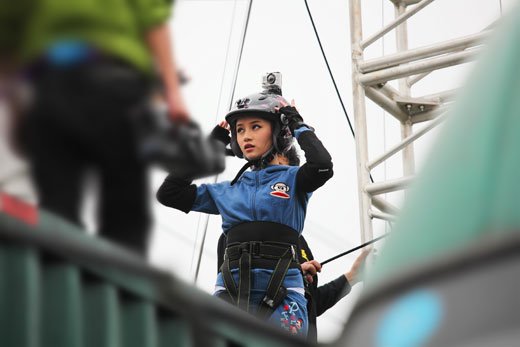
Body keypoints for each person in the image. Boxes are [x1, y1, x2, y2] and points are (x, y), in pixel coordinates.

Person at [157, 86, 333, 337]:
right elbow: (169, 193)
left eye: (256, 127)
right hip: (230, 292)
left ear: (278, 133)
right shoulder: (226, 191)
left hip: (284, 291)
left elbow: (322, 166)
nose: (246, 136)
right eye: (240, 130)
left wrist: (295, 122)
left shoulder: (294, 180)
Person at [17, 0, 189, 255]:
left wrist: (17, 105)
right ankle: (120, 283)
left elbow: (10, 30)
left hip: (52, 85)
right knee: (124, 218)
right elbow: (153, 20)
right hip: (116, 85)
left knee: (57, 207)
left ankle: (55, 277)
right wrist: (173, 94)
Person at [216, 233, 370, 342]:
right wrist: (290, 275)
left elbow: (310, 303)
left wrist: (351, 277)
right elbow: (231, 292)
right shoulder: (233, 234)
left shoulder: (298, 238)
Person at [298, 237, 370, 343]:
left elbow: (312, 303)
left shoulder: (299, 240)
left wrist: (352, 276)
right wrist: (293, 274)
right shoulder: (265, 229)